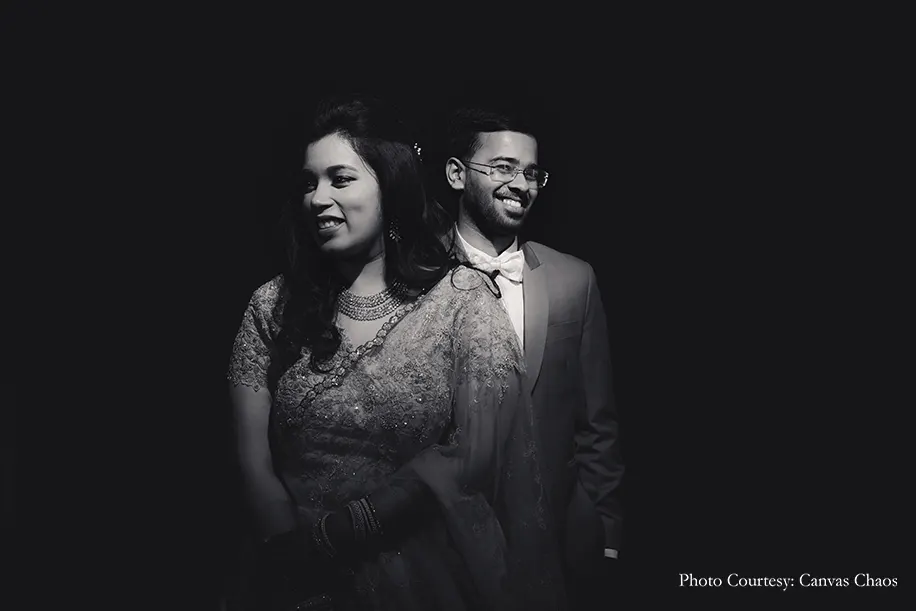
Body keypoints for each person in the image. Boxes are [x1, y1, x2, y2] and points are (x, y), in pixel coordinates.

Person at [225, 95, 566, 611]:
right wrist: (297, 563)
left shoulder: (460, 301)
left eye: (340, 179)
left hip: (426, 577)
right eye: (309, 183)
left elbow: (478, 454)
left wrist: (352, 528)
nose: (318, 198)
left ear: (390, 186)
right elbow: (251, 462)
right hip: (289, 574)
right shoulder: (272, 306)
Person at [440, 104, 625, 609]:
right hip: (439, 552)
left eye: (531, 172)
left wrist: (606, 538)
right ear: (457, 174)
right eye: (502, 167)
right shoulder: (414, 274)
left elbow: (598, 426)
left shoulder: (574, 279)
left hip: (552, 548)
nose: (521, 183)